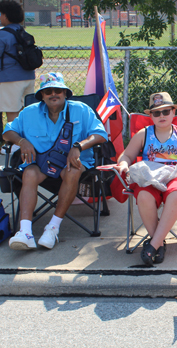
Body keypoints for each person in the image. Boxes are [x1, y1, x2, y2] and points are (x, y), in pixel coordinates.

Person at [3, 72, 108, 250]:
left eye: (58, 90)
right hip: (40, 164)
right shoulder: (29, 113)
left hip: (71, 165)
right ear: (42, 96)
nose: (53, 94)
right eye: (48, 91)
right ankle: (25, 232)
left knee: (73, 169)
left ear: (65, 93)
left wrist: (78, 146)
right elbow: (7, 132)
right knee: (28, 173)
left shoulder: (81, 109)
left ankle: (52, 228)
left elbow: (100, 135)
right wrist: (22, 141)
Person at [113, 92, 177, 266]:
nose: (161, 116)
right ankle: (159, 244)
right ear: (150, 116)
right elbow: (126, 155)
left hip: (176, 175)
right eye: (156, 113)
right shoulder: (143, 134)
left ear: (173, 112)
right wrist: (124, 165)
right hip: (151, 176)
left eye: (166, 111)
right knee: (143, 195)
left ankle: (154, 244)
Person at [0, 1, 35, 125]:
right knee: (28, 111)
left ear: (5, 16)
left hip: (10, 79)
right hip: (29, 77)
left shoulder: (3, 35)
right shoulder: (23, 32)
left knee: (12, 113)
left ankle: (14, 142)